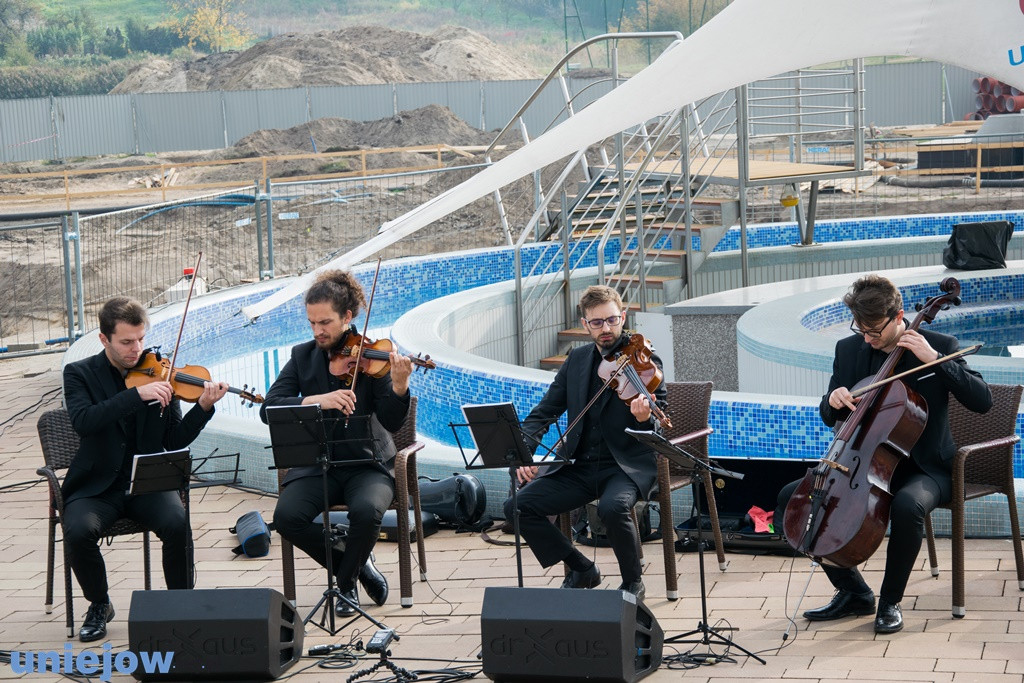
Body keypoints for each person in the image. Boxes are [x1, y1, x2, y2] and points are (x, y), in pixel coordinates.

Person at [776, 274, 991, 634]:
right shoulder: (848, 350)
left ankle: (890, 602)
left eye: (874, 331)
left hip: (925, 468)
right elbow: (831, 413)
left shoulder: (938, 344)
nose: (867, 338)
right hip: (860, 465)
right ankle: (854, 592)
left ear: (898, 316)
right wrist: (832, 400)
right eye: (861, 329)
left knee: (908, 506)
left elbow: (982, 400)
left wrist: (937, 359)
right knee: (791, 500)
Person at [62, 297, 230, 642]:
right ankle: (99, 604)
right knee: (78, 530)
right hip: (97, 486)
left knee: (177, 523)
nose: (136, 349)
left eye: (140, 339)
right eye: (126, 341)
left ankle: (181, 605)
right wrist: (136, 396)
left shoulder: (160, 372)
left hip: (147, 484)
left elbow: (175, 439)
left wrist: (202, 407)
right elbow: (83, 421)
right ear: (103, 339)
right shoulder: (79, 373)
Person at [261, 270, 412, 617]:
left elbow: (391, 421)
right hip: (318, 464)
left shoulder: (372, 357)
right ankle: (357, 564)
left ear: (347, 317)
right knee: (286, 517)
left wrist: (400, 387)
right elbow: (269, 408)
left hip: (368, 463)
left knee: (366, 512)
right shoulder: (303, 357)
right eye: (312, 322)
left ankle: (344, 586)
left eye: (325, 322)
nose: (317, 332)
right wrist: (318, 400)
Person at [503, 285, 667, 600]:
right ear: (585, 324)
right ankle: (581, 567)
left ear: (623, 316)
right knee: (517, 507)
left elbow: (660, 417)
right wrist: (524, 453)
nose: (606, 329)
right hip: (579, 464)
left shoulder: (643, 358)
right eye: (597, 322)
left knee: (612, 507)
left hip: (625, 466)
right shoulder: (576, 360)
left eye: (612, 320)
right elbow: (544, 412)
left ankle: (633, 582)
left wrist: (645, 415)